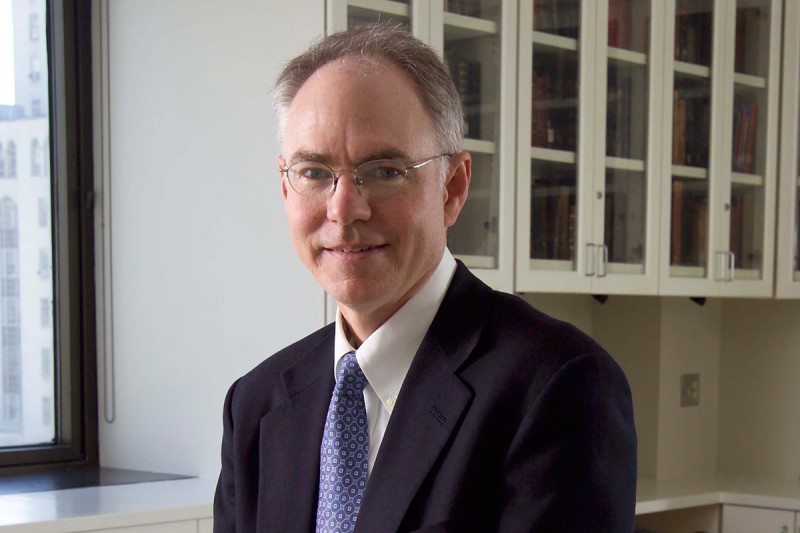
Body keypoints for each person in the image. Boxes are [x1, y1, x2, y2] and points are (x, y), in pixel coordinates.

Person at [214, 23, 636, 533]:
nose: (344, 209)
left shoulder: (557, 387)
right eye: (314, 173)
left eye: (384, 171)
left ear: (452, 188)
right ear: (286, 189)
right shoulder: (255, 405)